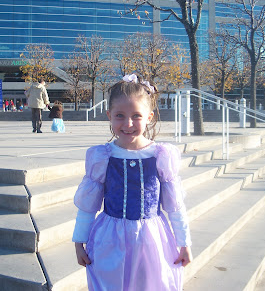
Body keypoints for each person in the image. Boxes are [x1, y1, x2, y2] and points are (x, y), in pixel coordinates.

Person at [72, 74, 192, 291]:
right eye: (119, 115)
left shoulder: (161, 155)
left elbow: (175, 207)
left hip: (151, 240)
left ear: (149, 117)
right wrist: (79, 241)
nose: (128, 124)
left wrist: (184, 242)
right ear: (109, 115)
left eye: (136, 115)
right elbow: (88, 207)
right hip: (110, 239)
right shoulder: (102, 157)